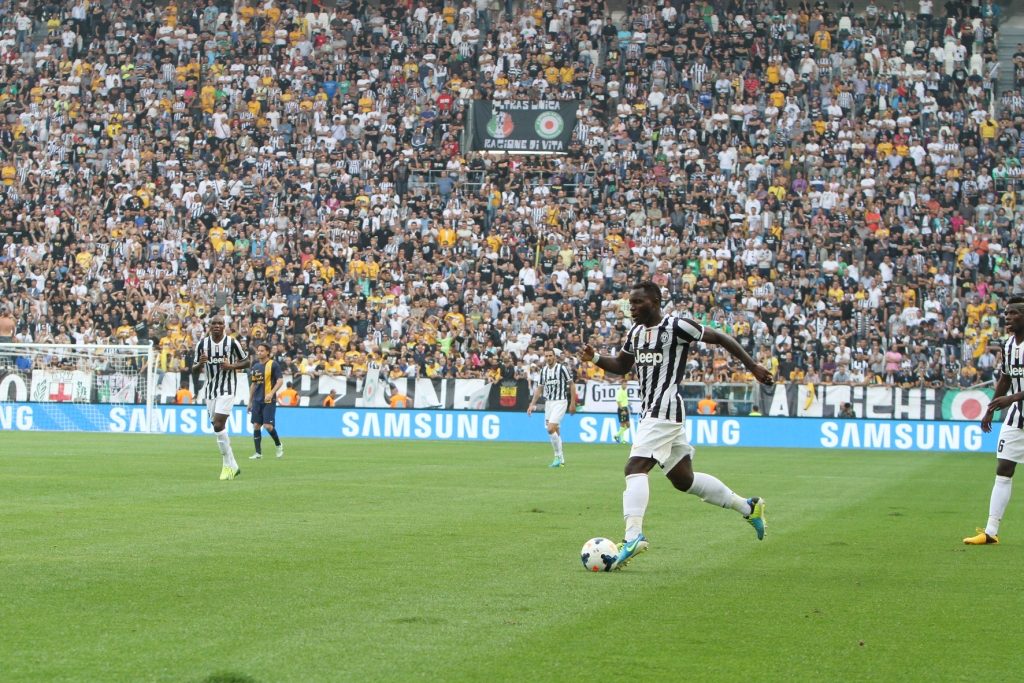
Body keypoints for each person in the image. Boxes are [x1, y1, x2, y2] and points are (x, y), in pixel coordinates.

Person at [580, 282, 776, 569]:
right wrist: (595, 358)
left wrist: (753, 366)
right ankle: (749, 507)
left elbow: (720, 337)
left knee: (635, 468)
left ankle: (633, 537)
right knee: (684, 480)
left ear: (656, 301)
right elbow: (622, 366)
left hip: (665, 409)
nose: (632, 308)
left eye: (638, 303)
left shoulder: (677, 326)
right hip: (653, 411)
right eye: (630, 304)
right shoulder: (636, 333)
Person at [965, 296, 1024, 545]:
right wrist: (991, 407)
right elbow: (1005, 377)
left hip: (1013, 404)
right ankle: (990, 532)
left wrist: (1008, 399)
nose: (1007, 317)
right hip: (1017, 415)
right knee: (1003, 468)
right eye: (1006, 313)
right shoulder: (1008, 345)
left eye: (1013, 313)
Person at [192, 316, 250, 480]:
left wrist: (231, 366)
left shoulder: (232, 343)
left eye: (219, 324)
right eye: (214, 323)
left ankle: (226, 465)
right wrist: (200, 364)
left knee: (218, 424)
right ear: (209, 326)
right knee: (217, 428)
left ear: (224, 326)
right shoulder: (202, 344)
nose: (217, 326)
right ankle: (234, 465)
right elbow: (194, 370)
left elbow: (247, 362)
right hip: (210, 391)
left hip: (227, 388)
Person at [527, 349, 577, 467]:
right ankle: (562, 460)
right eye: (546, 356)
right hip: (548, 403)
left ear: (554, 357)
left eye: (550, 356)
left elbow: (572, 384)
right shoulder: (543, 371)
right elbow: (539, 388)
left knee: (550, 429)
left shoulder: (562, 368)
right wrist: (532, 404)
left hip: (560, 402)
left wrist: (573, 403)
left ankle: (557, 456)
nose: (548, 358)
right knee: (555, 431)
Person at [248, 343, 285, 460]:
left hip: (269, 400)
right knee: (256, 426)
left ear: (267, 352)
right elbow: (253, 385)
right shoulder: (255, 366)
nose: (259, 353)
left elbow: (280, 381)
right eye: (258, 351)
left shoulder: (273, 365)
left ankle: (279, 445)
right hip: (257, 400)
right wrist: (250, 401)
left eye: (262, 351)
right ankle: (258, 453)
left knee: (268, 426)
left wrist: (271, 393)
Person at [614, 378, 631, 443]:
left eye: (626, 384)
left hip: (625, 408)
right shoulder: (619, 391)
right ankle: (623, 440)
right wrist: (622, 410)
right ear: (621, 384)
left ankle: (617, 435)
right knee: (623, 424)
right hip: (622, 409)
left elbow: (624, 400)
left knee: (628, 425)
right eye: (624, 384)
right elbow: (618, 402)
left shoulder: (625, 391)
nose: (625, 385)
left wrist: (628, 405)